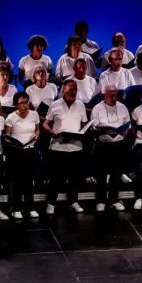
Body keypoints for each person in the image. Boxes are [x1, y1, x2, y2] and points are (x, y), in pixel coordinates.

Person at [42, 80, 89, 215]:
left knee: (75, 177)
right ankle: (51, 203)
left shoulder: (80, 105)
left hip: (75, 147)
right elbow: (46, 123)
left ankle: (73, 201)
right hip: (57, 146)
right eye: (71, 90)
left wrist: (85, 130)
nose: (74, 92)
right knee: (56, 177)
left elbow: (84, 123)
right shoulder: (54, 105)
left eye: (75, 90)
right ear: (63, 90)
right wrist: (51, 131)